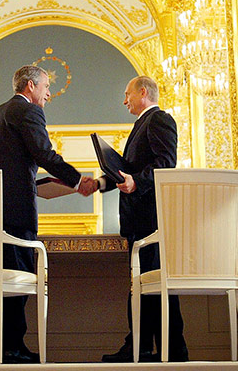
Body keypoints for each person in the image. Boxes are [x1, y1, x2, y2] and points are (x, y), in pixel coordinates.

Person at [0, 65, 95, 364]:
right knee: (18, 279)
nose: (49, 94)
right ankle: (12, 348)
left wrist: (16, 178)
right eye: (46, 86)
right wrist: (78, 181)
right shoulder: (28, 112)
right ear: (29, 86)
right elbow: (44, 154)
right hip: (16, 214)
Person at [97, 76, 189, 363]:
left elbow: (165, 164)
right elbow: (128, 170)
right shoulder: (143, 124)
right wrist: (101, 183)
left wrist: (136, 183)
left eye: (127, 95)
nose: (125, 101)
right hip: (141, 219)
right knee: (147, 284)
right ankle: (155, 349)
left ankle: (147, 348)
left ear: (143, 92)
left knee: (150, 284)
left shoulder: (159, 119)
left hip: (151, 218)